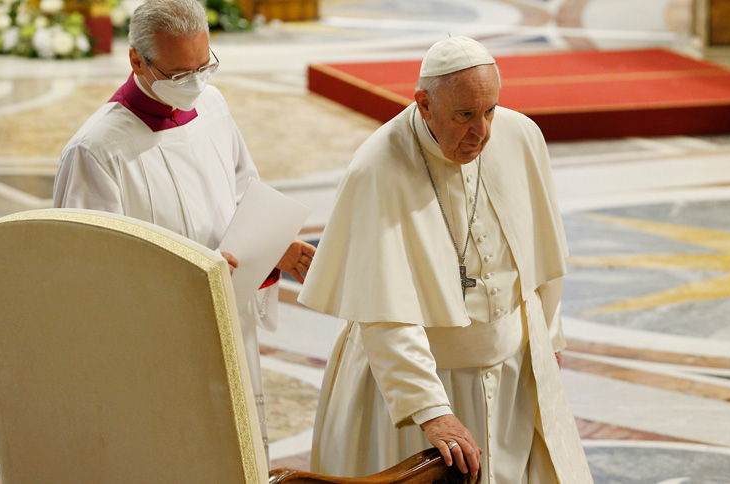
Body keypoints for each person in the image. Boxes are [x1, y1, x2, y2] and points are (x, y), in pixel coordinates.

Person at [298, 37, 593, 484]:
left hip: (512, 378)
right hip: (421, 386)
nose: (483, 132)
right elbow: (383, 315)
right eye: (464, 116)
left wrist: (548, 340)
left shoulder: (520, 136)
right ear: (423, 104)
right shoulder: (377, 169)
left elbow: (542, 259)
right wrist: (431, 411)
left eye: (490, 110)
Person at [52, 0, 315, 457]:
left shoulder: (211, 105)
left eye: (204, 65)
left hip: (228, 321)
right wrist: (188, 277)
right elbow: (84, 277)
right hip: (157, 345)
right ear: (137, 60)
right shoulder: (96, 151)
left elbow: (242, 192)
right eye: (178, 74)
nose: (195, 84)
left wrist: (275, 246)